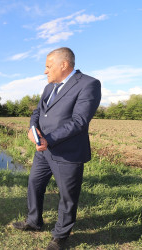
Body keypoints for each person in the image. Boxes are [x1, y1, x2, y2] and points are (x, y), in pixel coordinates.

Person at [12, 47, 101, 250]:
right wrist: (32, 128)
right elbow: (37, 111)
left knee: (67, 196)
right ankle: (34, 221)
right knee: (34, 184)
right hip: (44, 150)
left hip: (67, 152)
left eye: (48, 66)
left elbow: (80, 121)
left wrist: (49, 139)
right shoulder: (49, 87)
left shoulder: (89, 84)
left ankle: (61, 235)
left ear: (64, 64)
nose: (45, 71)